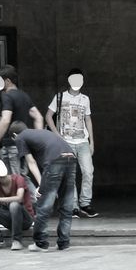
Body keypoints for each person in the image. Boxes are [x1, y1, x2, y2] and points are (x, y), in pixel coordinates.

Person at [11, 122, 78, 251]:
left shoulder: (19, 137)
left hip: (55, 161)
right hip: (70, 157)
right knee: (66, 204)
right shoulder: (39, 132)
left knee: (44, 204)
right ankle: (64, 243)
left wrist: (41, 186)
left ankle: (40, 243)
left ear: (14, 135)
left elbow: (31, 162)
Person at [46, 68, 98, 218]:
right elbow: (48, 116)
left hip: (82, 141)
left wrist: (91, 141)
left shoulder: (85, 99)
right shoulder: (60, 97)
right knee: (71, 175)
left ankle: (85, 203)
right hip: (66, 142)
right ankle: (73, 206)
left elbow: (88, 119)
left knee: (88, 171)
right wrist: (57, 135)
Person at [0, 65, 43, 177]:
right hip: (24, 144)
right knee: (22, 178)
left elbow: (6, 120)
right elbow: (38, 117)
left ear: (7, 81)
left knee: (15, 180)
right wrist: (37, 139)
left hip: (11, 144)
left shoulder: (7, 96)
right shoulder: (24, 95)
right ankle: (38, 193)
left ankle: (38, 193)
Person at [0, 158, 34, 250]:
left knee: (14, 205)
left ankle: (17, 240)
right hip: (9, 219)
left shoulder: (18, 179)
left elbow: (19, 197)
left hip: (25, 219)